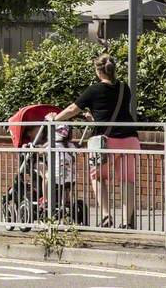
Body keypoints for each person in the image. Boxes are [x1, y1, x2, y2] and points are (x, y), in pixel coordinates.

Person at [48, 54, 141, 228]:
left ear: (99, 71)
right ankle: (127, 222)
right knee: (127, 181)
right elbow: (114, 111)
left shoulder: (94, 90)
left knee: (98, 177)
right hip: (130, 140)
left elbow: (72, 109)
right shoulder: (124, 88)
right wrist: (94, 118)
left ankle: (106, 216)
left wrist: (55, 119)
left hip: (105, 143)